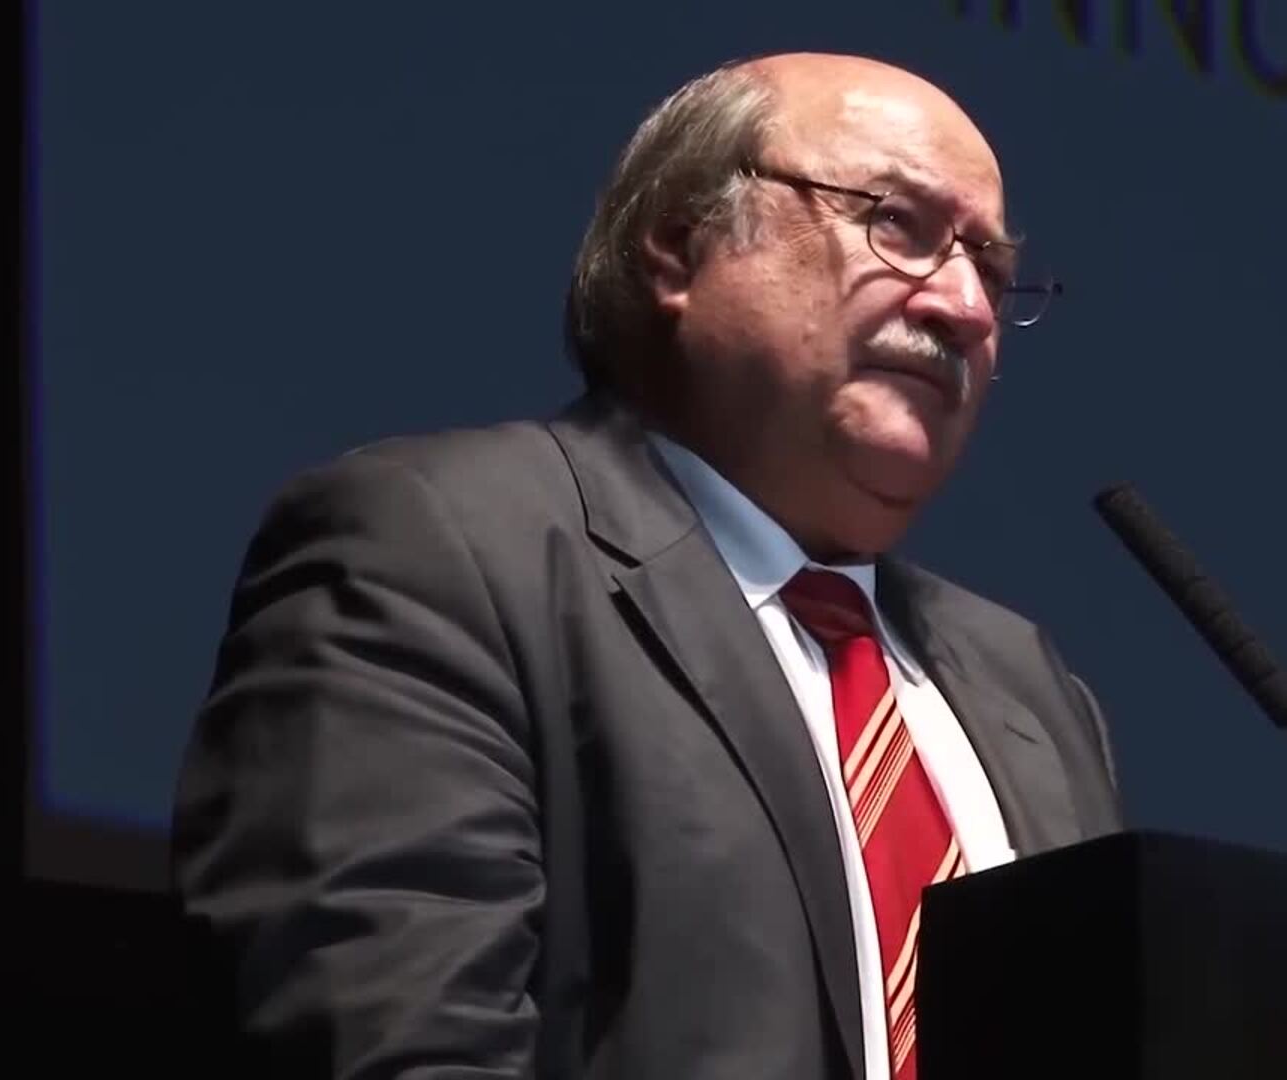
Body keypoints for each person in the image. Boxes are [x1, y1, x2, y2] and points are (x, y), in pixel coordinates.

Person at [170, 51, 1122, 1079]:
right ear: (678, 245)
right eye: (896, 225)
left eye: (991, 268)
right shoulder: (439, 553)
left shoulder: (1027, 685)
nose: (966, 309)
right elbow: (394, 1045)